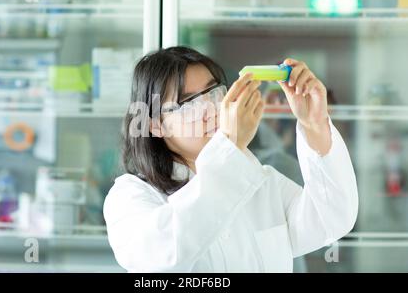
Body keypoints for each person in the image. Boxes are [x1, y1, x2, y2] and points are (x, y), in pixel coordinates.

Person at [103, 46, 358, 272]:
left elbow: (331, 220)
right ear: (156, 125)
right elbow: (166, 255)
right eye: (189, 103)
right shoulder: (130, 197)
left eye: (213, 93)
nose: (211, 109)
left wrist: (314, 123)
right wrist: (230, 145)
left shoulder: (262, 184)